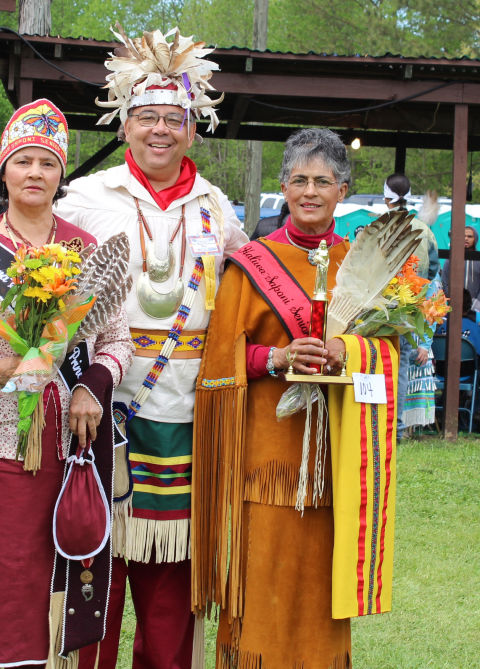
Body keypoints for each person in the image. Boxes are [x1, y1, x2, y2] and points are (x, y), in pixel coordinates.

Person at [53, 26, 248, 669]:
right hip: (100, 411)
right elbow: (50, 307)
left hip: (188, 418)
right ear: (125, 123)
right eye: (146, 117)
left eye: (173, 119)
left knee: (171, 597)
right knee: (95, 580)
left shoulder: (219, 211)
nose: (159, 130)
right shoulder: (85, 199)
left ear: (193, 130)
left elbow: (248, 304)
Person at [0, 98, 134, 668]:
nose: (35, 173)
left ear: (61, 175)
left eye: (48, 163)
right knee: (0, 580)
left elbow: (117, 340)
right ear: (3, 170)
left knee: (64, 573)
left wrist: (90, 388)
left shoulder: (84, 249)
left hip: (71, 446)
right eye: (23, 161)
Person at [193, 128, 353, 667]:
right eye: (300, 180)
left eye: (323, 181)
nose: (310, 191)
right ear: (282, 188)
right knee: (260, 586)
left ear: (343, 191)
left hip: (336, 462)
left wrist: (347, 350)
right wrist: (277, 359)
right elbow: (218, 358)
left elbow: (389, 353)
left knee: (320, 595)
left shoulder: (362, 268)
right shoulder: (251, 264)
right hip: (265, 465)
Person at [384, 174, 440, 438]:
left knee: (379, 361)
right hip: (408, 308)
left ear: (386, 198)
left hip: (383, 307)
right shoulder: (424, 230)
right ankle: (397, 426)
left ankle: (383, 423)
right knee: (402, 364)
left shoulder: (381, 226)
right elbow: (433, 270)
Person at [442, 225, 480, 311]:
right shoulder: (450, 258)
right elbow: (444, 281)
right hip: (453, 306)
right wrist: (451, 299)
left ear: (475, 239)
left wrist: (476, 303)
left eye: (469, 236)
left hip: (476, 308)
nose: (466, 238)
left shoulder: (478, 259)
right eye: (463, 236)